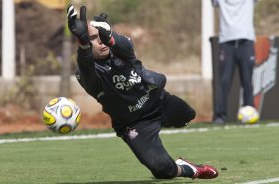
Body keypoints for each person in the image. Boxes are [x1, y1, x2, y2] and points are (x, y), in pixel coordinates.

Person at [67, 5, 218, 180]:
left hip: (157, 102)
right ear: (83, 40)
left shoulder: (118, 48)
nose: (100, 41)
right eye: (93, 38)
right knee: (163, 171)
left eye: (101, 36)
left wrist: (110, 36)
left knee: (187, 115)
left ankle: (167, 123)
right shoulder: (85, 72)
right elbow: (87, 72)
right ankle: (188, 169)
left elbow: (126, 46)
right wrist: (84, 46)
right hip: (135, 124)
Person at [212, 0, 258, 124]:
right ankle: (219, 116)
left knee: (248, 81)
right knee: (224, 81)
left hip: (246, 41)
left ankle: (250, 112)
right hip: (226, 43)